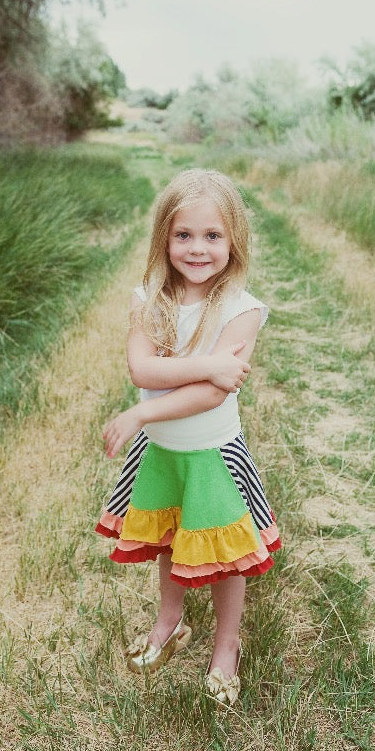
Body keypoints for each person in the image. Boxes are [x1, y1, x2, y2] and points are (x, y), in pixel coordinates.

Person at [96, 168, 281, 705]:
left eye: (212, 236)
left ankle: (227, 646)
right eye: (184, 235)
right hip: (163, 452)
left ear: (234, 241)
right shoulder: (148, 298)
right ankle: (170, 624)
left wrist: (144, 412)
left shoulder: (241, 311)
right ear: (164, 238)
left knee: (226, 554)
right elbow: (141, 372)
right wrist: (208, 367)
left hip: (213, 455)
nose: (197, 248)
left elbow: (211, 396)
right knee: (169, 539)